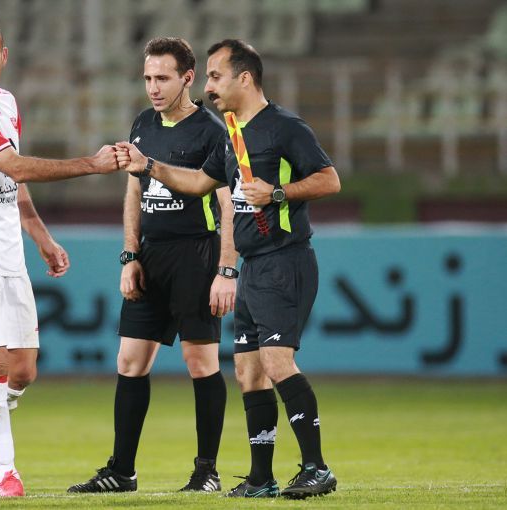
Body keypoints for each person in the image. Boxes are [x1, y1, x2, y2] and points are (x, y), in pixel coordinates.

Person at [116, 39, 341, 500]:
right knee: (247, 373)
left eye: (216, 76)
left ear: (245, 78)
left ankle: (317, 468)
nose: (209, 86)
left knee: (276, 363)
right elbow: (201, 182)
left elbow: (329, 179)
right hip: (254, 264)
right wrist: (149, 166)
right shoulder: (234, 132)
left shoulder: (284, 127)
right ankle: (261, 478)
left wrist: (277, 193)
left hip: (285, 259)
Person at [0, 18, 118, 498]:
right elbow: (14, 164)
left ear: (4, 56)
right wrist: (92, 165)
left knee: (23, 370)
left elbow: (10, 181)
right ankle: (8, 476)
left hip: (6, 251)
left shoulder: (8, 104)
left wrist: (40, 236)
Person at [68, 37, 236, 495]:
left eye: (162, 78)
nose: (153, 87)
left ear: (187, 78)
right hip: (152, 255)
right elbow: (133, 192)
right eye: (147, 78)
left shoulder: (211, 131)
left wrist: (226, 270)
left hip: (195, 255)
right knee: (129, 360)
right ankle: (122, 471)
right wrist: (130, 255)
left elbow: (227, 204)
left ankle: (206, 472)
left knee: (200, 362)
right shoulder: (143, 123)